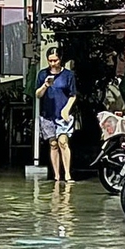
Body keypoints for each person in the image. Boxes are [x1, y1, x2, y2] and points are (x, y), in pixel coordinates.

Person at [35, 48, 77, 182]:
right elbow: (37, 95)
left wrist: (66, 109)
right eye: (50, 60)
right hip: (47, 114)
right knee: (53, 144)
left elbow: (73, 95)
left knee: (63, 142)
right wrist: (45, 85)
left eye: (55, 60)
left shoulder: (68, 75)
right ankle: (57, 175)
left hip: (63, 114)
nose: (53, 63)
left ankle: (68, 174)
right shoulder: (42, 74)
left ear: (61, 59)